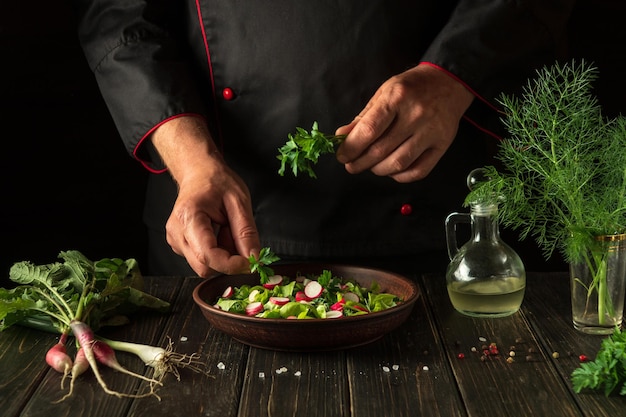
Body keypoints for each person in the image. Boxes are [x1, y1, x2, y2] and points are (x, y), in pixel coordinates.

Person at [71, 1, 574, 277]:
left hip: (429, 227)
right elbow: (116, 17)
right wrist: (192, 161)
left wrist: (454, 73)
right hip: (222, 229)